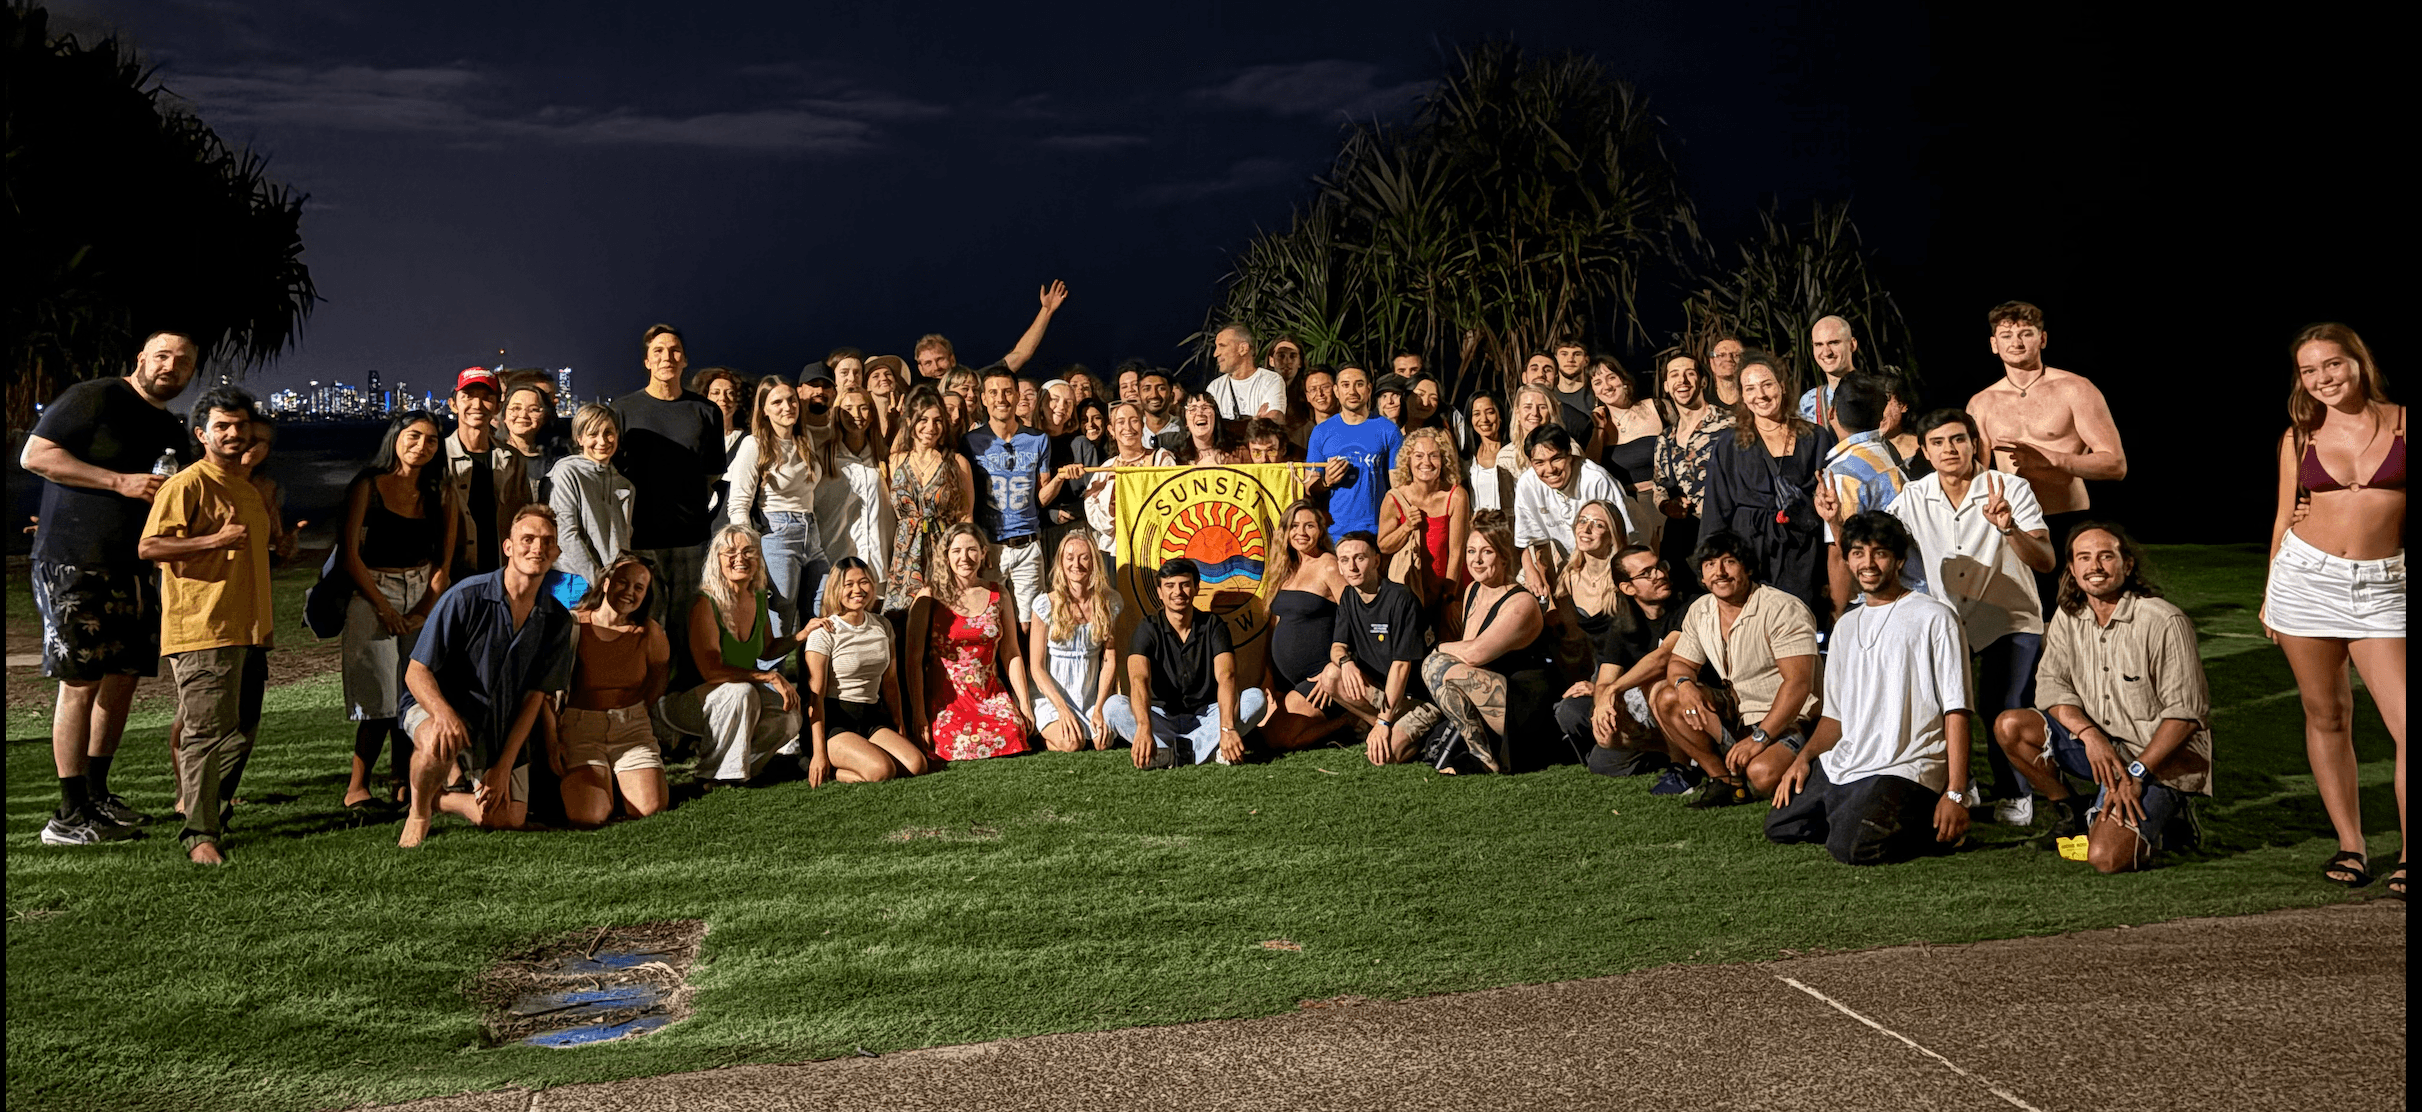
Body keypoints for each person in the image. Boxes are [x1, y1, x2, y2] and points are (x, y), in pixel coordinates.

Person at [25, 330, 199, 843]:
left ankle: (97, 794)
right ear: (141, 358)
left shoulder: (169, 426)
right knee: (80, 682)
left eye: (183, 362)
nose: (170, 366)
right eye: (162, 356)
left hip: (136, 565)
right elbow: (35, 455)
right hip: (75, 559)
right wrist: (118, 481)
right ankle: (68, 813)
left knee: (122, 678)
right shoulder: (95, 396)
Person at [2262, 323, 2404, 895]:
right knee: (2327, 715)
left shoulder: (2403, 423)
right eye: (2309, 370)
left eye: (2333, 364)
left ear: (2358, 362)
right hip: (2304, 580)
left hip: (2383, 587)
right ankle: (2352, 844)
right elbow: (2283, 517)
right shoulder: (2299, 436)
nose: (2323, 378)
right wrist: (2270, 594)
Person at [1987, 522, 2213, 873]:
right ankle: (2071, 815)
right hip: (2102, 750)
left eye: (2106, 557)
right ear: (2072, 568)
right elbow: (2051, 686)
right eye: (2084, 558)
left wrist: (2137, 773)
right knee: (2011, 726)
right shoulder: (2068, 617)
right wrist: (2090, 736)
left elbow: (2185, 717)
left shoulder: (2164, 620)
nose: (2095, 566)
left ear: (2128, 565)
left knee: (2105, 858)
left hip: (2158, 762)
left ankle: (2173, 819)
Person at [1766, 512, 1973, 865]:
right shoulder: (1846, 626)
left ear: (1899, 560)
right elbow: (1834, 717)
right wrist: (1804, 758)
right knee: (1782, 825)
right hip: (1851, 760)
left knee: (1853, 848)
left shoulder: (1935, 617)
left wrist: (1956, 792)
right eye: (1858, 553)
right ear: (1848, 560)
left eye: (1880, 553)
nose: (1868, 563)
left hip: (1907, 763)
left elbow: (1957, 709)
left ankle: (1932, 821)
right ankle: (1862, 811)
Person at [1885, 408, 2054, 824]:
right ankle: (1963, 783)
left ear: (1974, 444)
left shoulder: (2010, 488)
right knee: (1937, 705)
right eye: (1938, 442)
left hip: (2009, 618)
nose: (1950, 449)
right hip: (1949, 620)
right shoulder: (1913, 496)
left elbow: (2046, 560)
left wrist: (2010, 528)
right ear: (1924, 451)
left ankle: (2017, 792)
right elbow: (1880, 543)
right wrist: (1835, 522)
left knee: (2003, 706)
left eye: (1958, 439)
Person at [135, 386, 272, 864]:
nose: (233, 433)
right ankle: (199, 834)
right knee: (206, 732)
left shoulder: (246, 489)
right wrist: (214, 541)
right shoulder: (186, 485)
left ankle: (211, 808)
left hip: (249, 627)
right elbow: (150, 547)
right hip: (203, 627)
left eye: (240, 425)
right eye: (222, 426)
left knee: (242, 730)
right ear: (201, 434)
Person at [396, 504, 576, 847]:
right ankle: (419, 812)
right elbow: (416, 672)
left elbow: (535, 697)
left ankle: (440, 798)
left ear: (556, 552)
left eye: (546, 541)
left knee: (506, 818)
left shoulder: (557, 619)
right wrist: (443, 714)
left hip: (500, 722)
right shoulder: (466, 596)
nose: (537, 548)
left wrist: (504, 766)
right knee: (437, 740)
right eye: (527, 539)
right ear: (508, 547)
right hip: (443, 706)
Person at [1963, 301, 2128, 614]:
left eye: (2026, 333)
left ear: (2042, 339)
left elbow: (2115, 464)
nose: (2016, 342)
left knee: (2080, 615)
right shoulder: (1982, 403)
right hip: (2014, 524)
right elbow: (1976, 475)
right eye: (2007, 335)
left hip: (2068, 519)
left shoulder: (2075, 389)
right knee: (2024, 619)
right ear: (1994, 344)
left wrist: (2051, 458)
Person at [337, 410, 458, 810]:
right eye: (414, 436)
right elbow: (350, 554)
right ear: (396, 437)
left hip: (422, 588)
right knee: (377, 698)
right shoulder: (368, 485)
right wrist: (383, 607)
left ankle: (404, 781)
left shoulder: (440, 491)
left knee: (414, 694)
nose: (421, 446)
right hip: (372, 589)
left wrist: (425, 608)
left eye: (431, 440)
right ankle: (357, 788)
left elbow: (444, 561)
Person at [1650, 531, 1822, 808]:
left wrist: (1760, 738)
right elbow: (1680, 664)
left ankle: (1813, 757)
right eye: (1710, 565)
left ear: (1748, 568)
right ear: (1702, 577)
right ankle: (1722, 780)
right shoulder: (1701, 609)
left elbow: (1798, 684)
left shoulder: (1783, 608)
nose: (1719, 572)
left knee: (1762, 775)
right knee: (1667, 696)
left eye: (1729, 562)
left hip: (1790, 717)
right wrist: (1685, 685)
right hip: (1738, 711)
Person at [1421, 511, 1559, 773]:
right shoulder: (1472, 590)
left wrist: (1437, 648)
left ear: (1504, 556)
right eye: (1471, 551)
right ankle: (1479, 751)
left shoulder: (1522, 603)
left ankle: (1483, 756)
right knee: (1439, 669)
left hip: (1523, 706)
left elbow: (1474, 654)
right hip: (1491, 693)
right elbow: (1466, 657)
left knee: (1436, 664)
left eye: (1487, 552)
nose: (1476, 560)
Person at [1699, 351, 1834, 617]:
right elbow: (1716, 510)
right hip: (1749, 554)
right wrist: (1712, 564)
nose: (1760, 395)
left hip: (1803, 553)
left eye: (1767, 384)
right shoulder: (1728, 444)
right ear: (1742, 395)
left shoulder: (1815, 437)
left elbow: (1830, 503)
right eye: (1750, 388)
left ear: (1782, 386)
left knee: (1800, 624)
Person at [611, 326, 724, 641]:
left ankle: (684, 676)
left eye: (675, 351)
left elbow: (713, 474)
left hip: (691, 539)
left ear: (685, 360)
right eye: (658, 351)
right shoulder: (622, 410)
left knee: (687, 628)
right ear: (647, 361)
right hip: (639, 538)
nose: (667, 357)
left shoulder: (706, 411)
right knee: (641, 625)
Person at [669, 524, 805, 785]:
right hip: (687, 701)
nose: (739, 558)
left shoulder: (758, 596)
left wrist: (803, 634)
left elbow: (767, 649)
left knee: (789, 713)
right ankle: (715, 773)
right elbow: (712, 671)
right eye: (730, 552)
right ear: (717, 559)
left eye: (748, 551)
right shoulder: (705, 603)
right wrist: (769, 677)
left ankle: (745, 765)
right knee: (742, 692)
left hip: (739, 697)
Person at [1556, 527, 1694, 779]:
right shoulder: (1622, 624)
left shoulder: (1689, 606)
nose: (1659, 575)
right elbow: (1605, 679)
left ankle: (1691, 751)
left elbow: (1663, 657)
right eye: (1646, 573)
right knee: (1577, 721)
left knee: (1655, 690)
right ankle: (1664, 750)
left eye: (1659, 566)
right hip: (1641, 709)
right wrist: (1603, 710)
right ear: (1628, 588)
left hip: (1680, 699)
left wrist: (1614, 690)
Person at [1109, 558, 1265, 768]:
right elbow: (1138, 680)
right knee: (1113, 707)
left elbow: (1226, 676)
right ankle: (1206, 751)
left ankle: (1169, 755)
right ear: (1159, 592)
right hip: (1161, 717)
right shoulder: (1147, 628)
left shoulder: (1213, 625)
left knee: (1255, 699)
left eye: (1184, 584)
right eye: (1170, 586)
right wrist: (1144, 727)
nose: (1178, 592)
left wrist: (1227, 727)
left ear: (1196, 588)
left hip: (1207, 715)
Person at [555, 554, 672, 825]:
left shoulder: (649, 632)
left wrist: (637, 712)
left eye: (639, 587)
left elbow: (658, 678)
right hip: (581, 729)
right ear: (606, 583)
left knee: (651, 808)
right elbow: (549, 690)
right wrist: (553, 740)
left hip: (631, 730)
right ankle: (601, 784)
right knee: (588, 814)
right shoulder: (574, 624)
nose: (629, 591)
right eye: (623, 582)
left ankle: (620, 783)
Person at [966, 365, 1085, 628]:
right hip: (990, 546)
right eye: (993, 392)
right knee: (988, 621)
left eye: (1007, 392)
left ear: (1018, 396)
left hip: (1028, 545)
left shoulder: (1037, 439)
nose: (1001, 398)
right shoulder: (971, 441)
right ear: (983, 398)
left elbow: (1040, 499)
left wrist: (1060, 478)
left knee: (1030, 624)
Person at [906, 524, 1036, 761]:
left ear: (984, 552)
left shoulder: (999, 594)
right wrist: (918, 714)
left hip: (989, 695)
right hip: (948, 699)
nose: (964, 558)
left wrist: (1024, 705)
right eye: (956, 551)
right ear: (946, 555)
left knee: (1013, 731)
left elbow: (1011, 653)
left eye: (972, 550)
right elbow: (913, 660)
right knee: (955, 739)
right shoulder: (929, 597)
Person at [1312, 532, 1438, 765]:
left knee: (1384, 757)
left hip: (1418, 697)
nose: (1352, 567)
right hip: (1384, 694)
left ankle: (1422, 730)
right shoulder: (1349, 596)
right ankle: (1382, 727)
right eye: (1344, 560)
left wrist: (1384, 722)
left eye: (1360, 558)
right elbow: (1337, 647)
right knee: (1331, 675)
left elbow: (1401, 666)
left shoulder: (1401, 598)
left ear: (1376, 561)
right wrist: (1346, 663)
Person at [802, 557, 926, 784]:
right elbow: (815, 698)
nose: (857, 590)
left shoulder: (882, 626)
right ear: (836, 589)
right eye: (848, 584)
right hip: (836, 722)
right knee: (882, 770)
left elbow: (890, 683)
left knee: (916, 765)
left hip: (870, 717)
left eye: (864, 582)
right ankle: (825, 767)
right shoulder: (823, 632)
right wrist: (819, 754)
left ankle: (862, 757)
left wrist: (900, 730)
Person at [728, 375, 831, 639]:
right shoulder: (754, 445)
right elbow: (738, 504)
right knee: (781, 617)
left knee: (820, 609)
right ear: (764, 409)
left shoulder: (804, 439)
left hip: (810, 532)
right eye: (777, 402)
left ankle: (811, 668)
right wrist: (747, 551)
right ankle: (771, 667)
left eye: (791, 400)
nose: (787, 407)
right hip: (777, 533)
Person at [1809, 370, 1910, 621]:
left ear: (1831, 413)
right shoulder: (1885, 454)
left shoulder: (1843, 473)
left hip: (1876, 602)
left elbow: (1840, 551)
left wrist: (1839, 618)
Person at [1260, 501, 1356, 751]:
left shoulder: (1329, 565)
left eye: (1309, 526)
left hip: (1320, 679)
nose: (1301, 532)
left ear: (1321, 531)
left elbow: (1355, 618)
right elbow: (1274, 627)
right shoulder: (1285, 569)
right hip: (1285, 681)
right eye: (1294, 526)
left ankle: (1348, 722)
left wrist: (1334, 668)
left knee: (1280, 739)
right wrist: (1268, 677)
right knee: (1260, 733)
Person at [883, 388, 974, 617]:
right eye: (923, 420)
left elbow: (966, 516)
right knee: (901, 618)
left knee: (943, 617)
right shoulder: (896, 460)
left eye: (937, 420)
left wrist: (965, 557)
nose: (930, 427)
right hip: (905, 553)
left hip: (943, 549)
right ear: (910, 422)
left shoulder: (957, 462)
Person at [1028, 531, 1121, 752]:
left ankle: (1080, 721)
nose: (1076, 564)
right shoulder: (1045, 605)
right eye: (1069, 558)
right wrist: (1062, 710)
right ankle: (1041, 736)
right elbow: (1037, 668)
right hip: (1051, 696)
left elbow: (1110, 660)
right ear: (1061, 562)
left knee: (1102, 743)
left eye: (1083, 557)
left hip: (1089, 695)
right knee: (1073, 743)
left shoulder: (1110, 603)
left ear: (1094, 562)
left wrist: (1100, 707)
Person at [1512, 424, 1628, 597]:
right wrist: (1536, 575)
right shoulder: (1527, 485)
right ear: (1531, 462)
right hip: (1573, 566)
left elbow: (1622, 539)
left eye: (1556, 458)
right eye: (1539, 462)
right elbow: (1535, 542)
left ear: (1569, 454)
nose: (1550, 469)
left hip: (1610, 563)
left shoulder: (1596, 479)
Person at [442, 366, 533, 584]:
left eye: (486, 398)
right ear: (453, 404)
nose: (477, 405)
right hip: (450, 573)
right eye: (468, 396)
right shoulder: (438, 456)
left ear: (498, 406)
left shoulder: (513, 459)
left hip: (501, 571)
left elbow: (524, 515)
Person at [1652, 348, 1734, 571]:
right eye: (1674, 375)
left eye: (1689, 373)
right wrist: (1666, 506)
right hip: (1685, 543)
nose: (1682, 380)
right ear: (1666, 386)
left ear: (1703, 382)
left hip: (1726, 536)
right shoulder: (1665, 439)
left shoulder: (1730, 425)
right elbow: (1659, 487)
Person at [545, 404, 635, 609]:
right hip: (571, 579)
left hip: (613, 582)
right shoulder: (567, 472)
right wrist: (598, 581)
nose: (602, 441)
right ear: (579, 438)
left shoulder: (625, 485)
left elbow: (625, 538)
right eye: (593, 434)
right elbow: (566, 534)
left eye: (608, 433)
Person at [1304, 365, 1403, 545]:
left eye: (1359, 384)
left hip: (1378, 531)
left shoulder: (1388, 430)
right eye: (1345, 385)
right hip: (1334, 534)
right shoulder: (1321, 432)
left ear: (1369, 389)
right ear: (1336, 390)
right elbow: (1309, 486)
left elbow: (1399, 485)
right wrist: (1326, 481)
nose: (1352, 391)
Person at [1377, 426, 1471, 607]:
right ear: (1408, 460)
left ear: (1443, 460)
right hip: (1408, 592)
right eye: (1419, 456)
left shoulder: (1456, 496)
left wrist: (1448, 596)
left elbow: (1457, 552)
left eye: (1433, 455)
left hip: (1447, 592)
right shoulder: (1395, 498)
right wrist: (1406, 527)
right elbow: (1384, 546)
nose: (1426, 462)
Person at [819, 388, 896, 598]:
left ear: (871, 414)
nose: (856, 415)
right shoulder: (825, 456)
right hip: (836, 558)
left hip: (877, 561)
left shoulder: (881, 456)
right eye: (848, 409)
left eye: (863, 408)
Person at [912, 279, 1071, 379]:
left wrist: (1046, 311)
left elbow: (1020, 354)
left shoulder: (975, 383)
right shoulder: (914, 401)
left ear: (952, 359)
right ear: (921, 369)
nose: (936, 367)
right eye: (928, 363)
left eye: (940, 359)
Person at [1084, 401, 1177, 567]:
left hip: (1156, 547)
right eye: (1120, 422)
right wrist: (1115, 486)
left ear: (1142, 426)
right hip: (1116, 553)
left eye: (1134, 421)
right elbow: (1097, 517)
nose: (1128, 427)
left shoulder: (1161, 459)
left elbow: (1172, 501)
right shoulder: (1106, 468)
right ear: (1111, 430)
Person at [1586, 355, 1664, 551]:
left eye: (1611, 377)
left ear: (1624, 380)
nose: (1606, 386)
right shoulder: (1596, 426)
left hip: (1663, 502)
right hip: (1628, 511)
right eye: (1597, 382)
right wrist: (1599, 429)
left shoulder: (1655, 407)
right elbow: (1590, 470)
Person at [1205, 323, 1286, 437]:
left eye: (1222, 346)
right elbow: (1210, 427)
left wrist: (1227, 426)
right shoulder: (1215, 387)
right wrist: (1254, 421)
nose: (1215, 353)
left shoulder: (1271, 380)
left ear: (1243, 348)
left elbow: (1273, 420)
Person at [499, 379, 559, 501]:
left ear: (545, 416)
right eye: (516, 408)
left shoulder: (557, 464)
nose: (523, 415)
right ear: (504, 415)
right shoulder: (492, 457)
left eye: (533, 410)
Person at [1797, 316, 1859, 427]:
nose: (1826, 352)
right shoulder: (1809, 403)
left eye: (1834, 343)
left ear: (1852, 344)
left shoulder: (1876, 392)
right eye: (1818, 344)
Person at [1461, 390, 1516, 513]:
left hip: (1508, 523)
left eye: (1490, 412)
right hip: (1476, 524)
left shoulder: (1513, 453)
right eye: (1476, 414)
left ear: (1500, 416)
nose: (1484, 419)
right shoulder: (1466, 459)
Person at [1174, 391, 1233, 465]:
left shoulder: (1238, 454)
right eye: (1193, 409)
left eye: (1205, 407)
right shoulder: (1176, 459)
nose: (1199, 413)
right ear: (1185, 422)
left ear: (1215, 416)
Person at [1135, 367, 1186, 451]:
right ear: (1139, 396)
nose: (1154, 395)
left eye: (1161, 388)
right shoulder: (1132, 431)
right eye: (1147, 389)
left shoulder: (1184, 429)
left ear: (1172, 396)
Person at [1293, 366, 1340, 450]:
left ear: (1336, 389)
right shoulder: (1299, 438)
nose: (1319, 394)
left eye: (1325, 387)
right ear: (1307, 396)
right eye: (1313, 389)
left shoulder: (1352, 426)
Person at [1706, 336, 1745, 406]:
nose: (1728, 359)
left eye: (1735, 355)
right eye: (1721, 355)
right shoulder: (1704, 399)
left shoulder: (1753, 396)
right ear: (1712, 362)